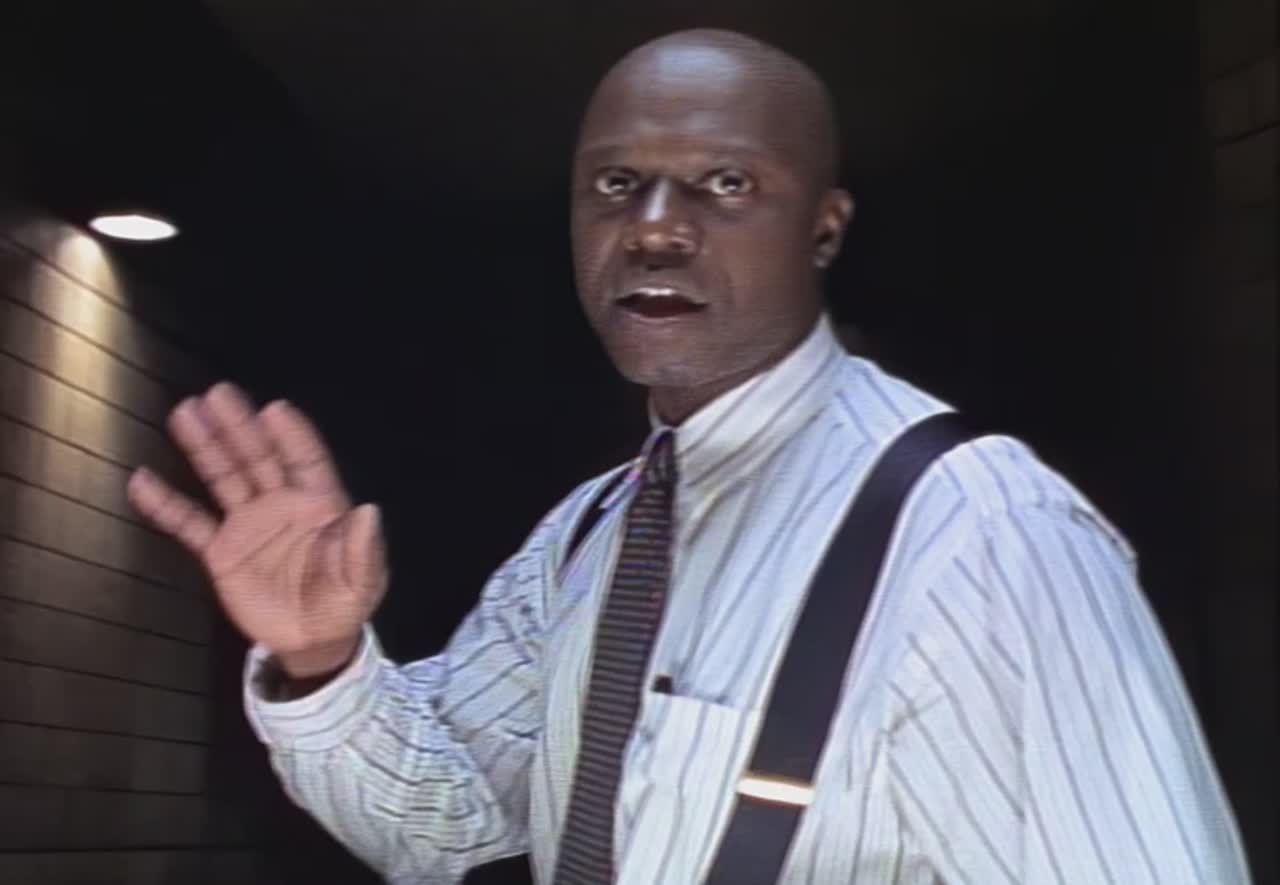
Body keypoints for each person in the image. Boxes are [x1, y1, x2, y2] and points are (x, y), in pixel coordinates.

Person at [127, 28, 1251, 885]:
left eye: (725, 183)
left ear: (822, 228)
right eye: (616, 184)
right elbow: (451, 823)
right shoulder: (587, 533)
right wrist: (323, 658)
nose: (654, 226)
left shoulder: (979, 533)